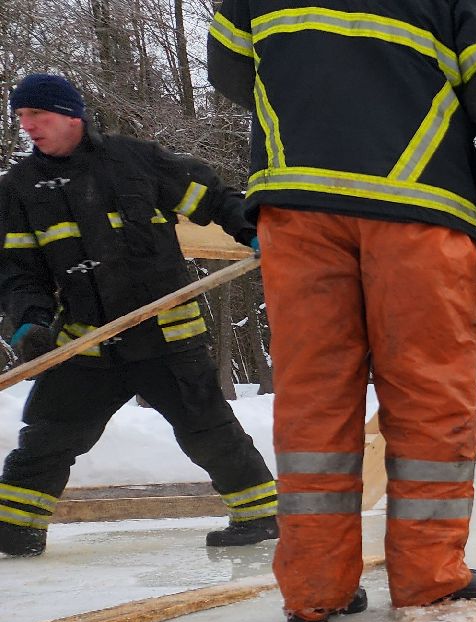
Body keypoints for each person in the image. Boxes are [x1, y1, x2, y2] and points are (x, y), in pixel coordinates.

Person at [208, 0, 476, 622]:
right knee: (429, 393)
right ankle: (429, 575)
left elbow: (227, 71)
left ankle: (314, 585)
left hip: (299, 206)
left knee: (312, 398)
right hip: (419, 205)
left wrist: (318, 96)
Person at [0, 73, 279, 559]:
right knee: (48, 434)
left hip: (166, 333)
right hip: (88, 340)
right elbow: (19, 271)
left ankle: (259, 515)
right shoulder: (19, 190)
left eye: (38, 115)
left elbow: (214, 197)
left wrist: (253, 231)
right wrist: (30, 321)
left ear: (72, 116)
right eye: (22, 117)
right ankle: (14, 529)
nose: (29, 126)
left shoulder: (136, 161)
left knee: (207, 429)